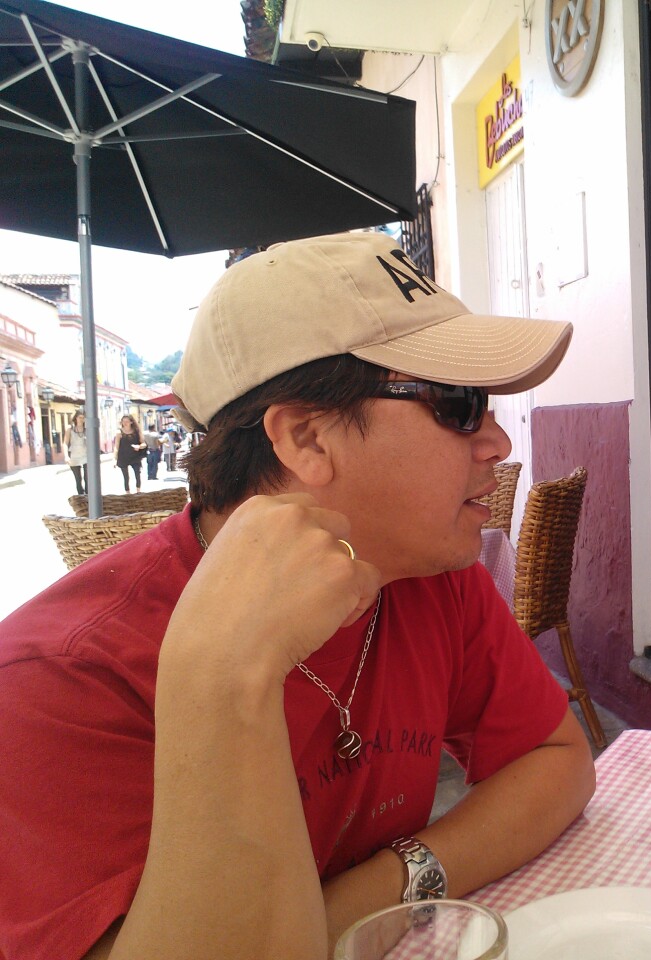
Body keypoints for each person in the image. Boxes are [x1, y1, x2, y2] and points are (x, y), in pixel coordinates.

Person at [0, 231, 593, 960]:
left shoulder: (423, 573)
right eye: (461, 404)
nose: (497, 442)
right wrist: (221, 676)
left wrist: (375, 895)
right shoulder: (58, 678)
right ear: (307, 438)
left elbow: (558, 760)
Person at [114, 413, 146, 491]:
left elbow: (144, 443)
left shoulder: (136, 431)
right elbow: (116, 446)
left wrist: (139, 446)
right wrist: (114, 459)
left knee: (137, 474)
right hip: (123, 456)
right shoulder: (119, 432)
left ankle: (138, 492)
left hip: (135, 456)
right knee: (126, 477)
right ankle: (127, 494)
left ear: (131, 422)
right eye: (123, 421)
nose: (125, 423)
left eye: (127, 421)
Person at [63, 409, 88, 495]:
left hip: (85, 455)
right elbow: (65, 443)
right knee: (78, 479)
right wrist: (66, 456)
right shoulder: (70, 429)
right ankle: (81, 497)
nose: (81, 420)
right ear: (76, 418)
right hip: (74, 455)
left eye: (83, 418)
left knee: (87, 478)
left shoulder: (87, 428)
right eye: (80, 417)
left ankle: (88, 498)